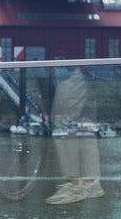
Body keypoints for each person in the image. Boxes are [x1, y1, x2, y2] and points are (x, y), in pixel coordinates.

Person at [44, 66, 105, 205]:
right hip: (75, 66)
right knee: (84, 131)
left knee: (66, 132)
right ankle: (89, 184)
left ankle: (76, 186)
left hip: (70, 66)